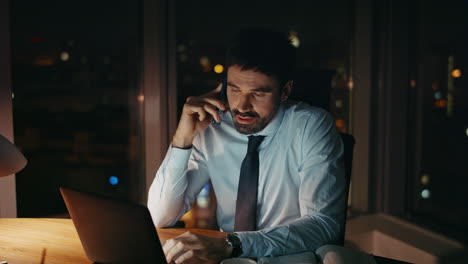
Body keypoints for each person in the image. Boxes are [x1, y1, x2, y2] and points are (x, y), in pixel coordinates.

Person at [148, 29, 346, 264]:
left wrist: (234, 244)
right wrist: (182, 140)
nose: (242, 106)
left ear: (285, 91)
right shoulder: (212, 125)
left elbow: (323, 225)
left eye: (258, 93)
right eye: (234, 89)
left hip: (287, 258)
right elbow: (159, 217)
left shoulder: (311, 126)